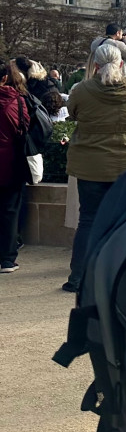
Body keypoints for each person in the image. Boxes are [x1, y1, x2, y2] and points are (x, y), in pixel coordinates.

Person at [63, 41, 126, 292]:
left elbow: (74, 114)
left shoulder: (82, 90)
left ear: (96, 65)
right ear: (122, 63)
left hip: (91, 164)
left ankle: (78, 278)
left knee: (88, 220)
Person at [0, 58, 31, 273]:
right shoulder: (17, 100)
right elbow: (25, 126)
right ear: (4, 77)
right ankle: (7, 259)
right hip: (9, 162)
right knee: (10, 211)